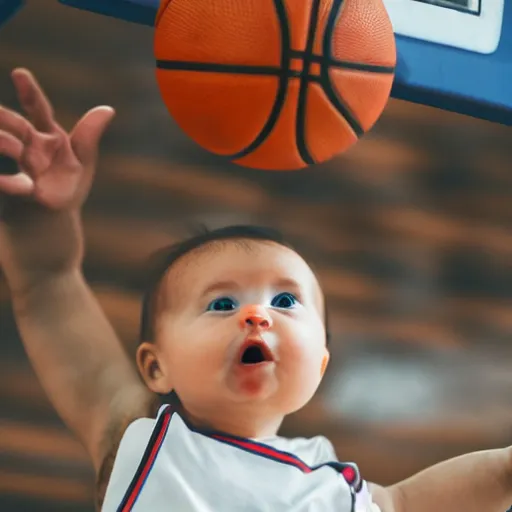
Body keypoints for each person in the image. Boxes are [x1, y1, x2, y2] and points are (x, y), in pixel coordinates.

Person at [0, 68, 511, 512]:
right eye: (221, 303)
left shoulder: (338, 488)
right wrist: (43, 219)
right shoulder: (143, 439)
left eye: (285, 301)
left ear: (322, 364)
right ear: (157, 366)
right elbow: (48, 289)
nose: (256, 314)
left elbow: (414, 501)